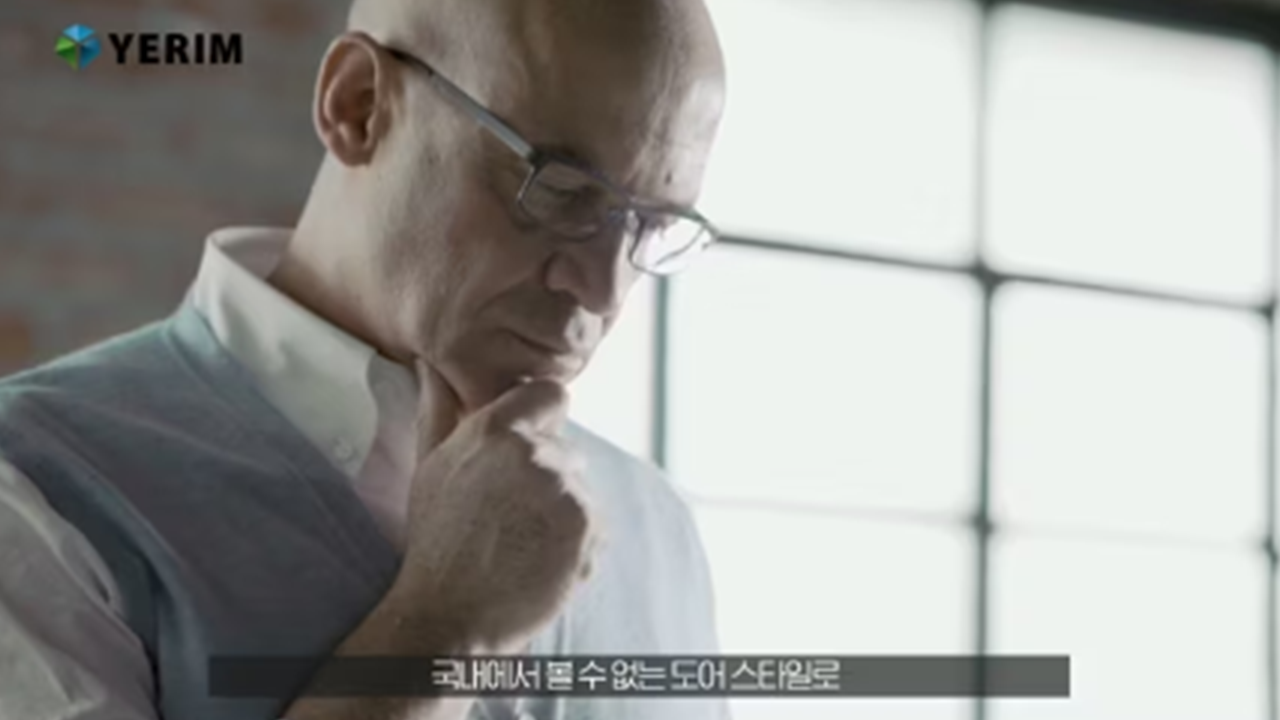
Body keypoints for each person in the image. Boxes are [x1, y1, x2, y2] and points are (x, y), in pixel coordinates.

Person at [0, 0, 729, 718]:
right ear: (359, 105)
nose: (603, 289)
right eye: (560, 191)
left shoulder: (658, 528)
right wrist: (445, 627)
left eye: (652, 227)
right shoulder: (33, 489)